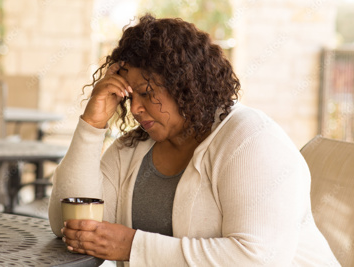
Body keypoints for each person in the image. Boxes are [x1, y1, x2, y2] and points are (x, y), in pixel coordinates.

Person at [49, 14, 339, 266]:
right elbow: (69, 225)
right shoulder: (132, 148)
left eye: (147, 93)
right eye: (129, 96)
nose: (135, 108)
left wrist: (133, 246)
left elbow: (258, 259)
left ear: (184, 84)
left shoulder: (251, 140)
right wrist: (92, 125)